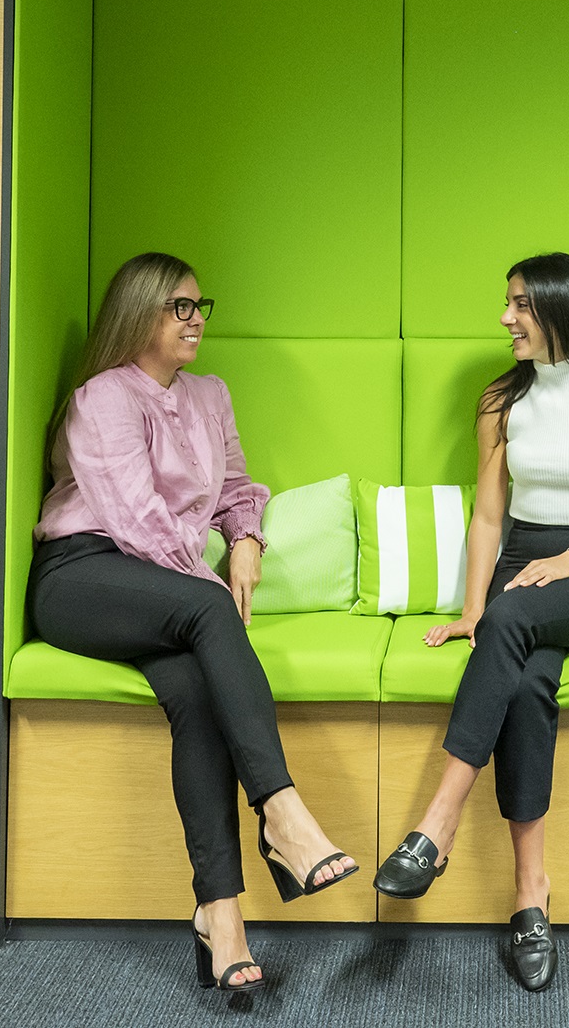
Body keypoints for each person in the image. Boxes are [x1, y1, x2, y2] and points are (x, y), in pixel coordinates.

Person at [28, 251, 357, 998]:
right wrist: (207, 584)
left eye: (201, 304)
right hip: (82, 574)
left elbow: (237, 487)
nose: (197, 318)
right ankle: (283, 814)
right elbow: (135, 517)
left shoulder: (210, 395)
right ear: (139, 311)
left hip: (160, 582)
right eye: (180, 305)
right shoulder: (104, 396)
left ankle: (223, 920)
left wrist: (244, 538)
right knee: (209, 612)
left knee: (198, 693)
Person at [373, 252, 569, 992]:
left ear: (564, 310)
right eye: (507, 304)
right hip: (520, 569)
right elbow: (489, 515)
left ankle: (437, 821)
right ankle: (531, 895)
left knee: (516, 618)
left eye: (521, 306)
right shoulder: (503, 399)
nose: (506, 318)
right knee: (528, 683)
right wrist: (474, 609)